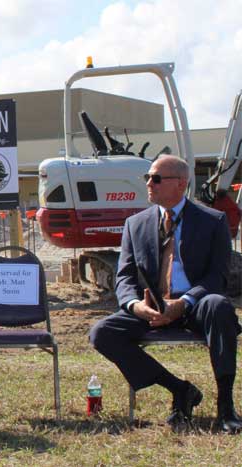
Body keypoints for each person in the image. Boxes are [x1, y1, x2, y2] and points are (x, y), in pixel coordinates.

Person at [90, 155, 242, 433]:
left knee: (219, 306)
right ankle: (180, 389)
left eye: (156, 178)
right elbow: (124, 277)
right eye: (147, 177)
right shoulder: (135, 224)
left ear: (181, 184)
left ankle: (226, 408)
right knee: (102, 332)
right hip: (151, 306)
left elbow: (217, 276)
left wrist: (184, 303)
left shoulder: (213, 220)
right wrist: (136, 306)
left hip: (196, 305)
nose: (149, 183)